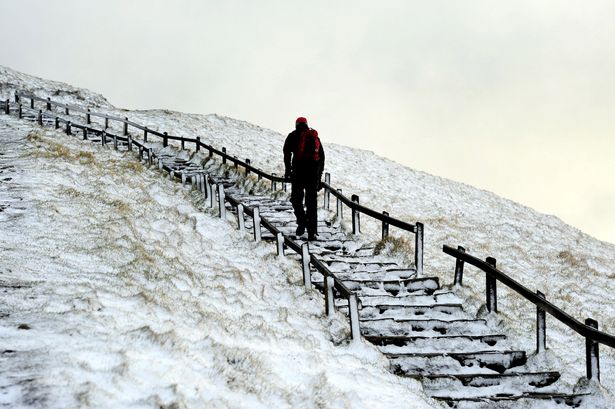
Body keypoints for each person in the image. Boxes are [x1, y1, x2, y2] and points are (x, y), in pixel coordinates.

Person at [283, 117, 325, 241]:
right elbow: (321, 158)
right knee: (311, 203)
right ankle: (312, 232)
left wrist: (288, 170)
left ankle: (302, 222)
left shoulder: (293, 136)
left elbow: (286, 153)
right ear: (307, 124)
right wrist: (319, 177)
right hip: (312, 175)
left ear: (296, 124)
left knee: (296, 199)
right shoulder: (315, 137)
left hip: (298, 173)